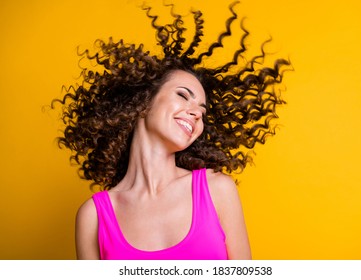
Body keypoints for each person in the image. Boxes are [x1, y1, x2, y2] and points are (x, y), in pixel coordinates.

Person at [52, 2, 290, 260]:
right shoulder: (94, 216)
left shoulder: (216, 190)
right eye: (183, 95)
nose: (196, 112)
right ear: (143, 100)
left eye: (202, 110)